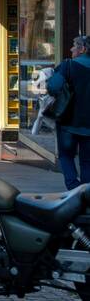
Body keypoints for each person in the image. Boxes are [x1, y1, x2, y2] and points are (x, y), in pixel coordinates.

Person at [47, 35, 90, 189]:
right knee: (87, 161)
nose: (71, 49)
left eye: (74, 46)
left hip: (68, 122)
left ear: (83, 49)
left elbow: (53, 88)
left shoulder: (68, 66)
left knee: (66, 156)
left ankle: (74, 188)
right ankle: (86, 193)